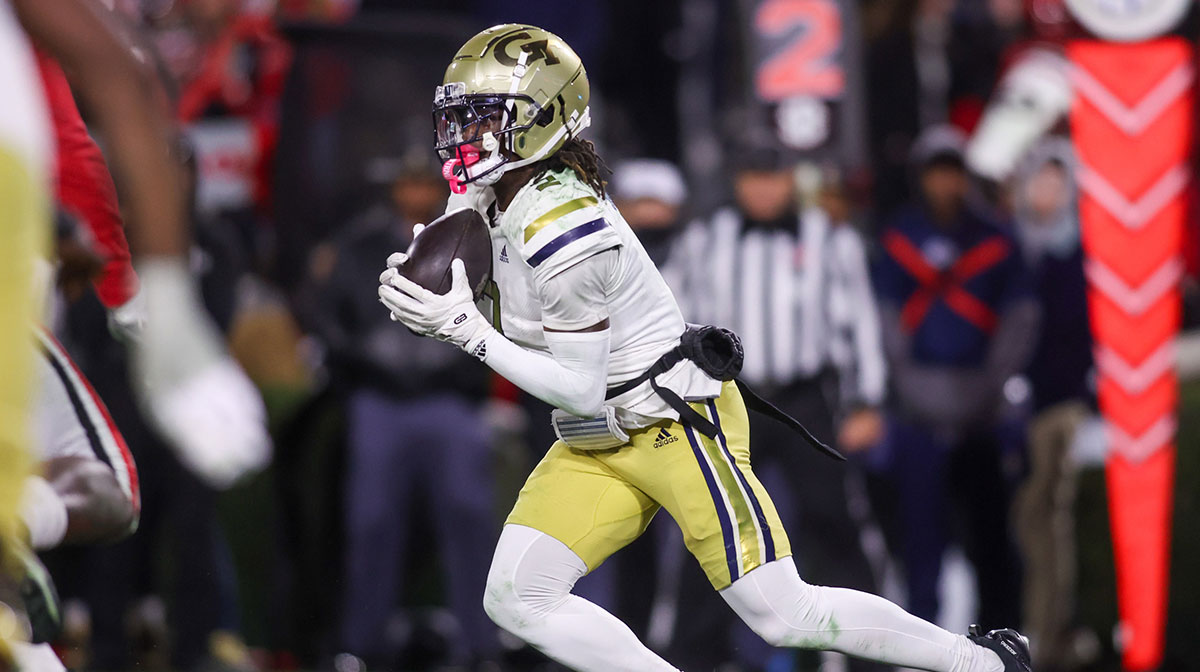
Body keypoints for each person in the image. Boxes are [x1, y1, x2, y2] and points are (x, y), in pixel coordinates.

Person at [378, 24, 1031, 672]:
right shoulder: (496, 190)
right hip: (596, 433)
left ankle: (980, 661)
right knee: (517, 598)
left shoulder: (566, 225)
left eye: (486, 118)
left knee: (784, 614)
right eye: (462, 116)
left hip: (670, 422)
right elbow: (465, 274)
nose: (466, 135)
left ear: (539, 121)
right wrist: (424, 294)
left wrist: (464, 329)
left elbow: (576, 381)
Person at [668, 151, 889, 672]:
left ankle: (873, 654)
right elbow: (670, 310)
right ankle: (695, 656)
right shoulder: (705, 238)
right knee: (712, 524)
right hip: (726, 396)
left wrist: (867, 401)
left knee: (833, 520)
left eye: (773, 176)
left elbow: (860, 321)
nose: (764, 190)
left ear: (790, 180)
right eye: (753, 176)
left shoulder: (831, 238)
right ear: (738, 179)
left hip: (803, 400)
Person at [300, 153, 498, 668]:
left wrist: (469, 363)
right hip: (379, 401)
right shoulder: (361, 241)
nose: (413, 191)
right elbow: (324, 312)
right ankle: (360, 646)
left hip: (450, 399)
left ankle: (482, 646)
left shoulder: (475, 237)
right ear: (391, 185)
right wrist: (361, 357)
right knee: (370, 523)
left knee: (470, 518)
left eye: (421, 180)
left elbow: (501, 309)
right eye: (405, 180)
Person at [873, 124, 1037, 632]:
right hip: (918, 417)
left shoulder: (997, 236)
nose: (945, 183)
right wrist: (910, 387)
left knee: (993, 545)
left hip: (982, 416)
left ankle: (1002, 645)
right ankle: (921, 647)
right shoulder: (898, 236)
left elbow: (1021, 318)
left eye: (953, 172)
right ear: (920, 177)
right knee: (920, 545)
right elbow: (882, 317)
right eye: (936, 172)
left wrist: (988, 385)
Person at [1008, 138, 1093, 671]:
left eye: (1058, 181)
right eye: (1041, 178)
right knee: (1023, 522)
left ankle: (1046, 632)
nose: (1048, 191)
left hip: (1059, 405)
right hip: (1008, 407)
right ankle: (1036, 630)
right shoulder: (1009, 245)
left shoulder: (1080, 251)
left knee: (1047, 521)